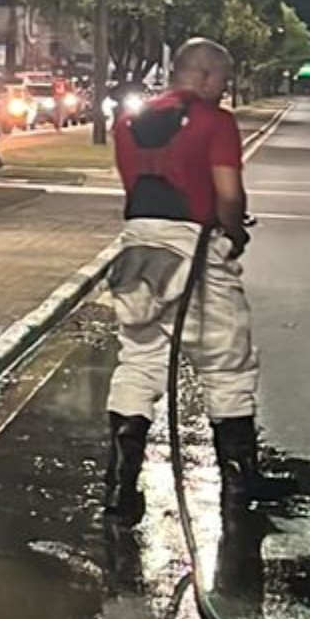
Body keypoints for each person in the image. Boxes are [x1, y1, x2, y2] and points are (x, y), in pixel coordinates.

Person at [102, 36, 258, 522]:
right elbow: (227, 195)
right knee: (227, 362)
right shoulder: (217, 122)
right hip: (195, 248)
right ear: (207, 76)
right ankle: (238, 490)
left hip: (138, 247)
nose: (225, 89)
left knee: (140, 360)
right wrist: (235, 233)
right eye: (224, 80)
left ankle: (119, 490)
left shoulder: (128, 122)